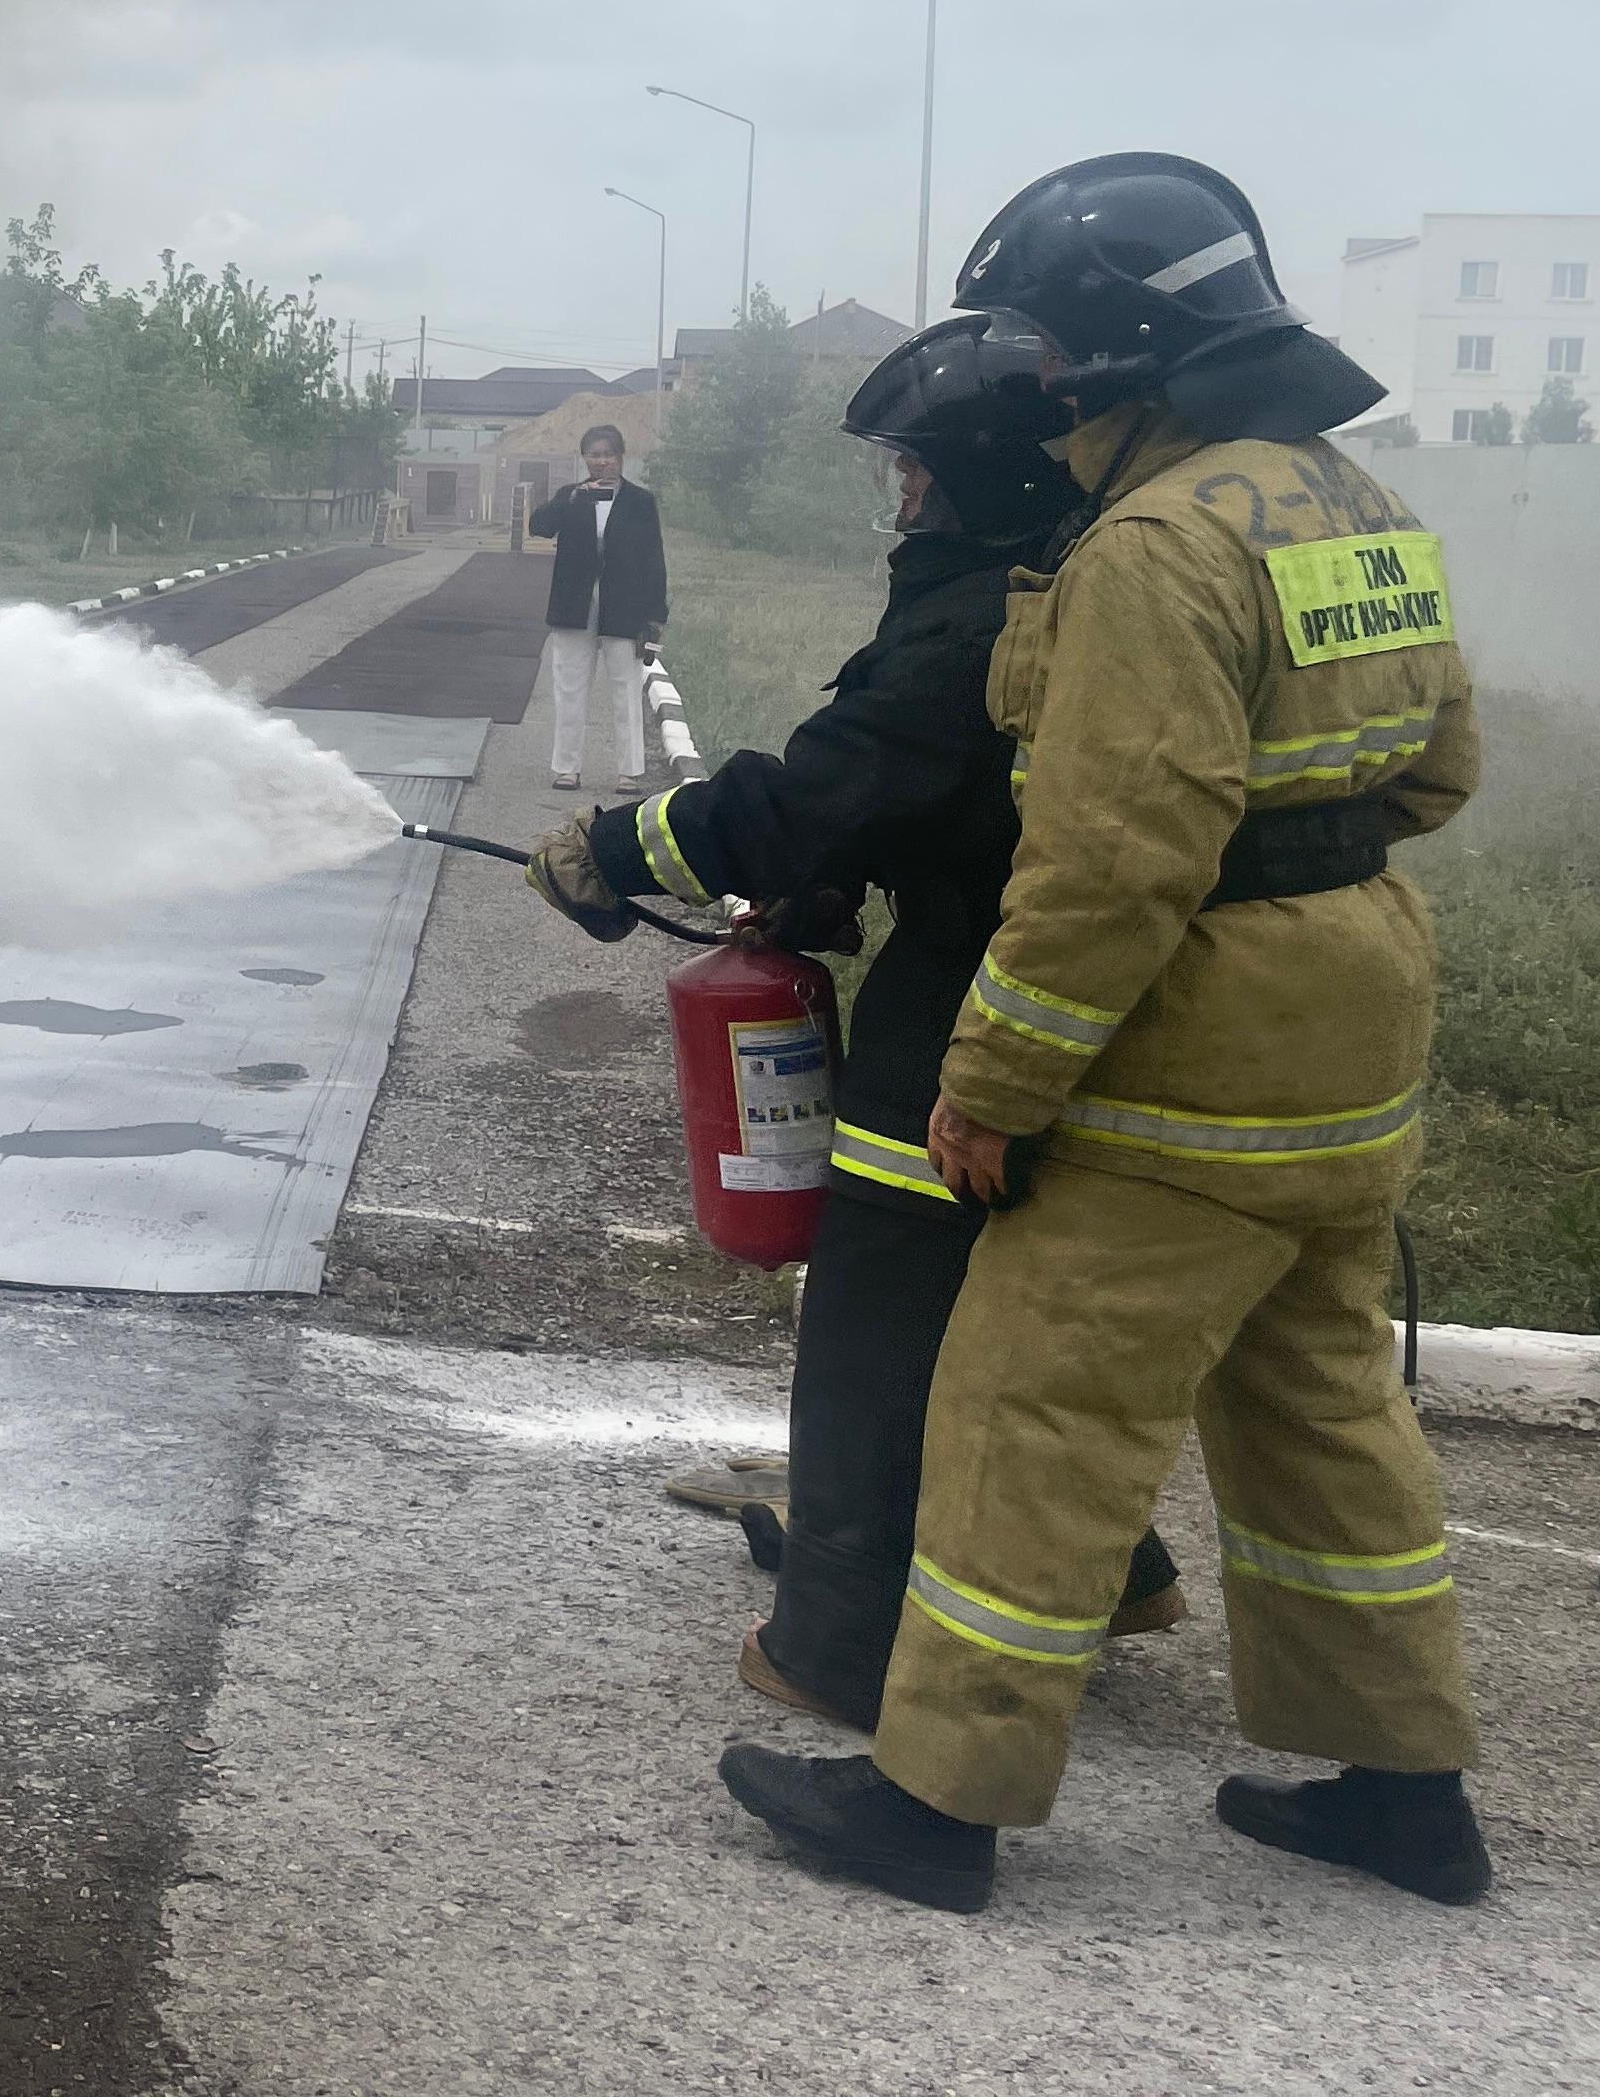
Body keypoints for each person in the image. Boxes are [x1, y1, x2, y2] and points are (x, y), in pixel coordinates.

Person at [719, 153, 1489, 1918]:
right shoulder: (1346, 498)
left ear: (1124, 355)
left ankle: (932, 1799)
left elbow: (1110, 862)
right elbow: (1439, 769)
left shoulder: (1150, 545)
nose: (1041, 389)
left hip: (1191, 1057)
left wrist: (991, 1084)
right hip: (1356, 1023)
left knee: (1024, 1410)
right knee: (1324, 1417)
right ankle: (1404, 1791)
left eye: (1054, 349)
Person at [527, 320, 1183, 1731]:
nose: (898, 496)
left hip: (974, 996)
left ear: (979, 475)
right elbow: (923, 795)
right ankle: (1115, 1572)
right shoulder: (1044, 583)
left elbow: (828, 779)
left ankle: (835, 1637)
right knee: (1003, 1307)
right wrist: (832, 880)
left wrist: (623, 848)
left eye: (913, 471)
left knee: (880, 1310)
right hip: (1073, 981)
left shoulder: (982, 620)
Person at [530, 423, 667, 793]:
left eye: (608, 454)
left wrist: (657, 616)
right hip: (574, 606)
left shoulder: (640, 501)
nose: (601, 461)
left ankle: (629, 772)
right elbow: (538, 526)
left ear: (621, 458)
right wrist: (570, 498)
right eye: (594, 454)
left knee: (625, 688)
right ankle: (567, 768)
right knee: (570, 688)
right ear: (584, 458)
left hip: (625, 606)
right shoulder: (570, 496)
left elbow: (654, 558)